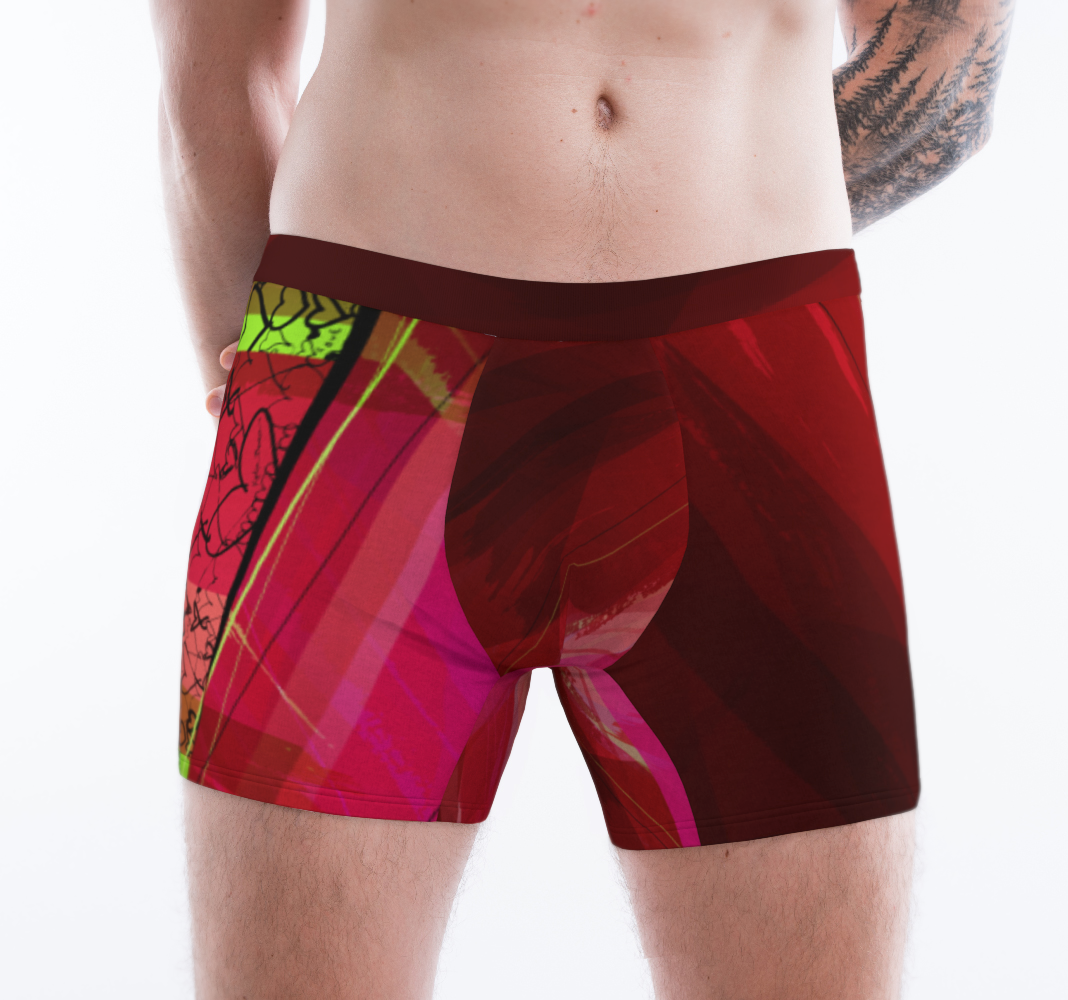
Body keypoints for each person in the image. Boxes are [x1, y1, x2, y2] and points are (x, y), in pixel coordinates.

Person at [151, 0, 1011, 996]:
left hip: (751, 370)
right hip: (363, 369)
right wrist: (262, 381)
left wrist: (699, 203)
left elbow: (950, 56)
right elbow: (216, 79)